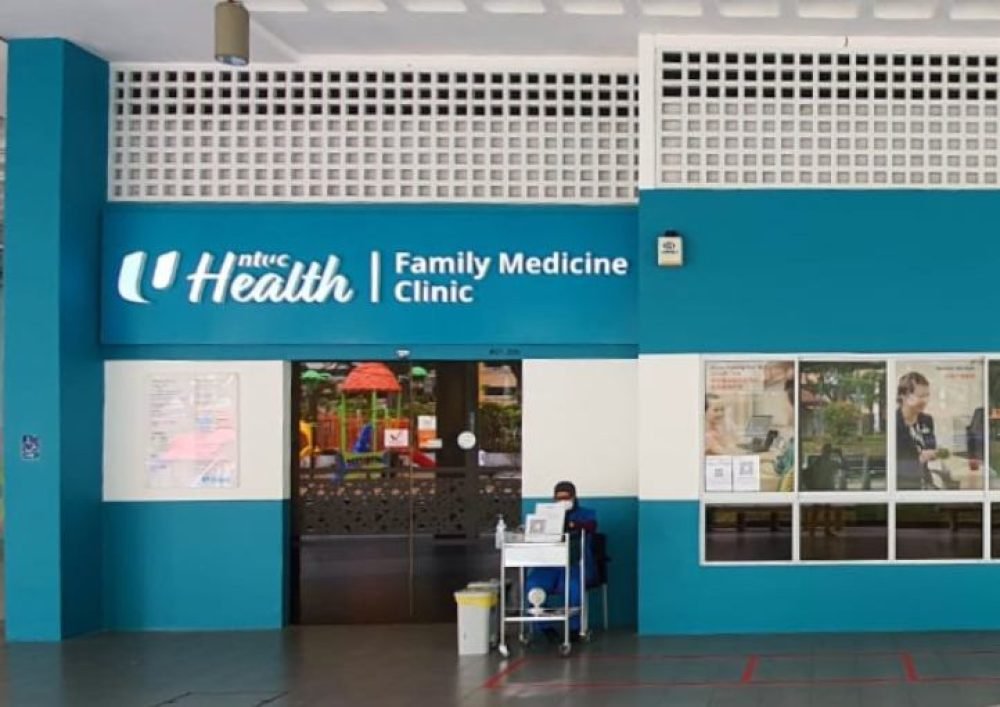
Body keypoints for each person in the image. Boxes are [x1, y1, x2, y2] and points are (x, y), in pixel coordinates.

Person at [525, 481, 598, 639]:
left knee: (573, 586)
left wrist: (571, 524)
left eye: (566, 498)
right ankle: (544, 627)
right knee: (533, 584)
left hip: (575, 564)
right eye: (558, 499)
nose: (562, 502)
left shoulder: (586, 514)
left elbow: (591, 527)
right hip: (549, 565)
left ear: (574, 497)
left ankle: (574, 629)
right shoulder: (545, 515)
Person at [896, 371, 938, 490]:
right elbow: (891, 463)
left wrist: (934, 453)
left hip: (924, 483)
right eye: (920, 396)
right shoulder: (894, 423)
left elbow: (931, 447)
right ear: (904, 396)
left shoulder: (927, 420)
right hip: (901, 487)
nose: (925, 401)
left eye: (927, 395)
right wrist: (919, 458)